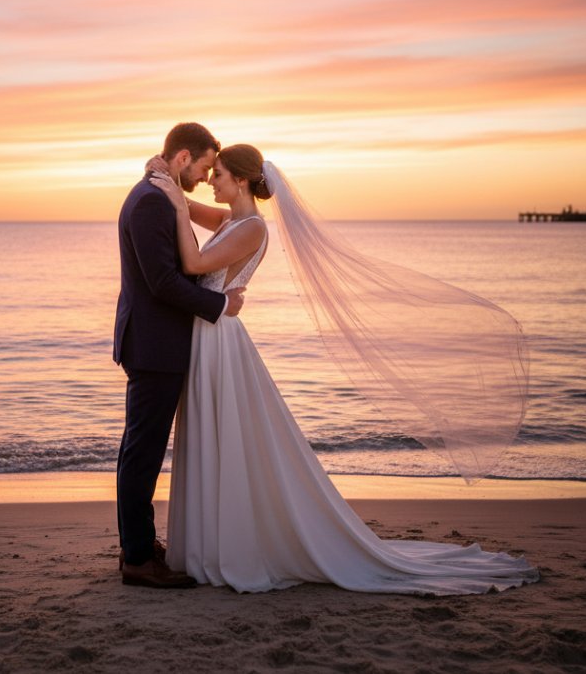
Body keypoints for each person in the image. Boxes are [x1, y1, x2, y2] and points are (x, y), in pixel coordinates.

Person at [147, 144, 540, 594]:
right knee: (211, 437)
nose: (210, 182)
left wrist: (176, 205)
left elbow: (195, 264)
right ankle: (207, 543)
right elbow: (195, 212)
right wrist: (170, 187)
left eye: (217, 175)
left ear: (239, 180)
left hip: (218, 343)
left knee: (227, 439)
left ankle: (230, 546)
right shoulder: (231, 220)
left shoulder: (252, 228)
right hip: (210, 334)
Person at [112, 123, 245, 588]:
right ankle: (137, 559)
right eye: (206, 165)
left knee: (139, 449)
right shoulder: (151, 201)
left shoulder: (159, 193)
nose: (207, 174)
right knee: (142, 453)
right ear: (184, 157)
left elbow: (226, 224)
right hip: (154, 345)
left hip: (156, 341)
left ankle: (140, 545)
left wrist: (182, 201)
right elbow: (162, 282)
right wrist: (220, 304)